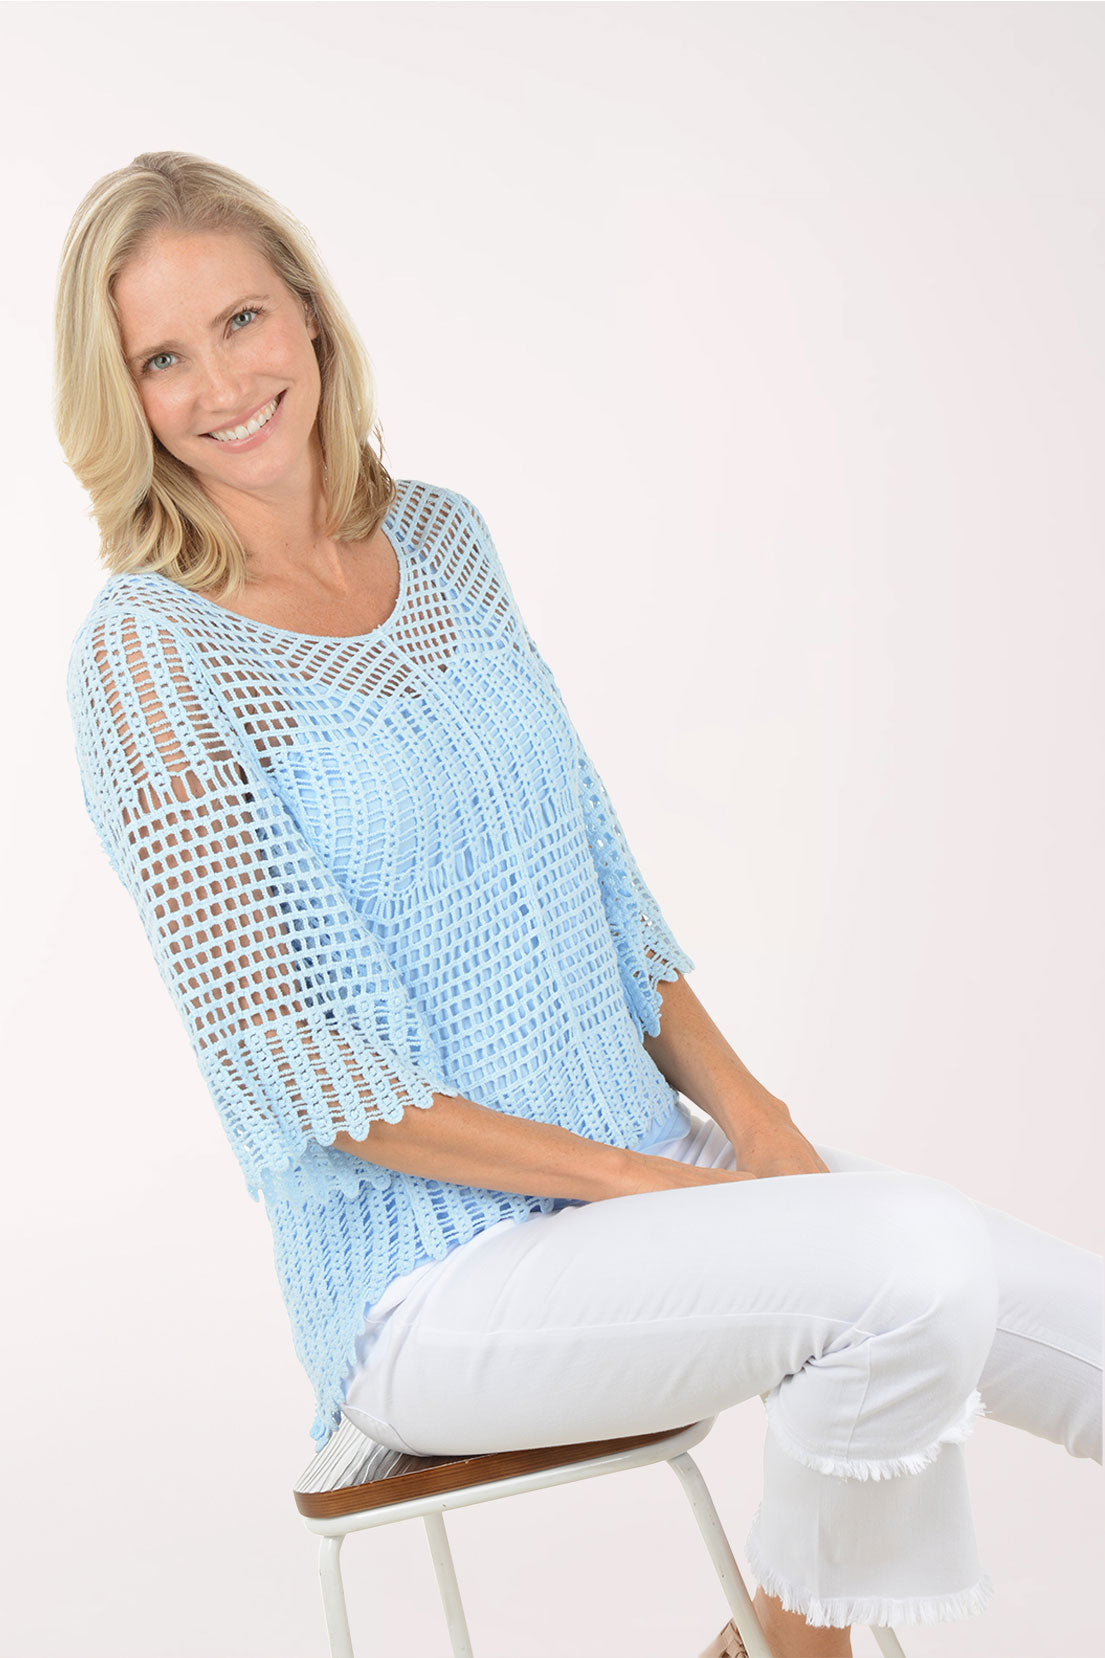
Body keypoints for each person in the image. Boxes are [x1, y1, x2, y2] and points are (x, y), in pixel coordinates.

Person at [57, 151, 1101, 1658]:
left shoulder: (443, 540)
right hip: (435, 1280)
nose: (220, 380)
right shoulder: (147, 657)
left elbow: (607, 893)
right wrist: (661, 1190)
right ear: (123, 396)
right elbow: (317, 1077)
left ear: (310, 321)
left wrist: (758, 1131)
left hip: (637, 1175)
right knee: (905, 1263)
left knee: (1053, 1311)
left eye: (242, 320)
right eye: (162, 355)